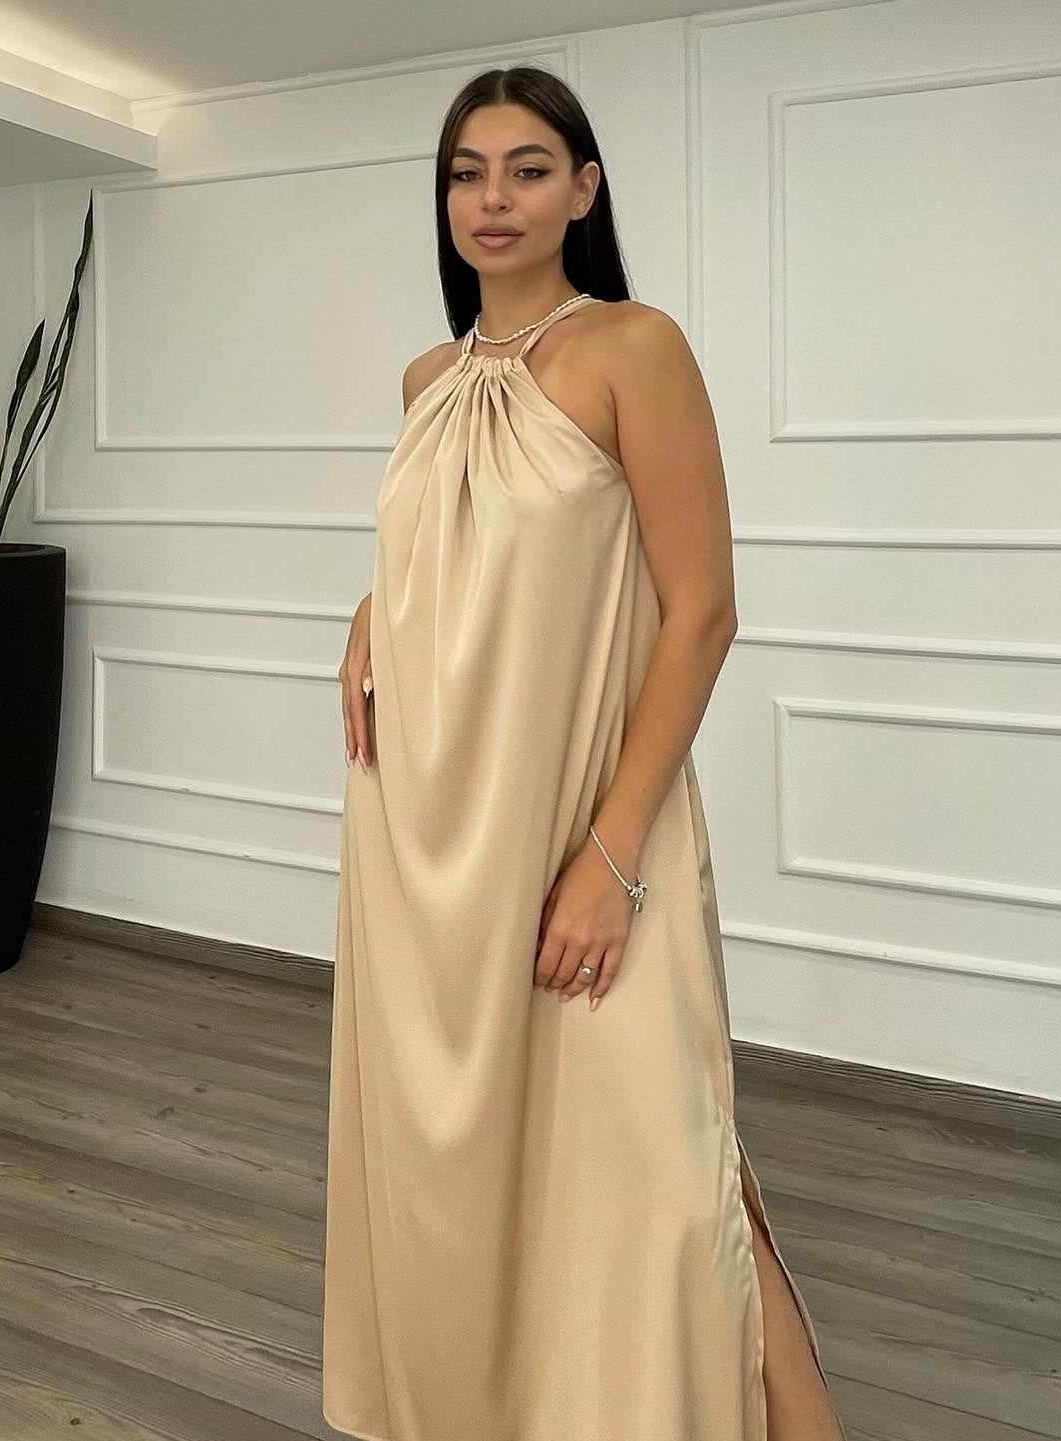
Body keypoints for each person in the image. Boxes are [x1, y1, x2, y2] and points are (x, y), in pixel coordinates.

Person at [322, 63, 847, 1441]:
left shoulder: (632, 347)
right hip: (423, 844)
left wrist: (611, 860)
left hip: (587, 828)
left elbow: (704, 608)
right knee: (480, 1186)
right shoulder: (427, 377)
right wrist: (369, 611)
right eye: (466, 173)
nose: (492, 199)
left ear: (584, 189)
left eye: (528, 167)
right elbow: (461, 544)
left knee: (672, 1179)